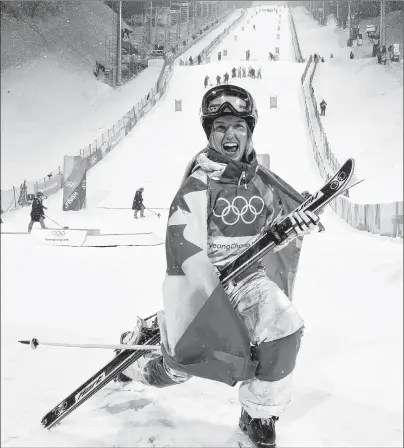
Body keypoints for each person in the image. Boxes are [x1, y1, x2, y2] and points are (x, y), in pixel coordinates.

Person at [117, 85, 320, 448]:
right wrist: (205, 292)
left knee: (286, 329)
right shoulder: (199, 184)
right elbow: (183, 249)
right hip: (206, 288)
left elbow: (278, 232)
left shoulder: (261, 182)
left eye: (238, 126)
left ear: (249, 131)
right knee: (182, 366)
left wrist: (295, 228)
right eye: (221, 126)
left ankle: (258, 413)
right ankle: (134, 359)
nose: (231, 135)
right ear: (210, 133)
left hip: (248, 282)